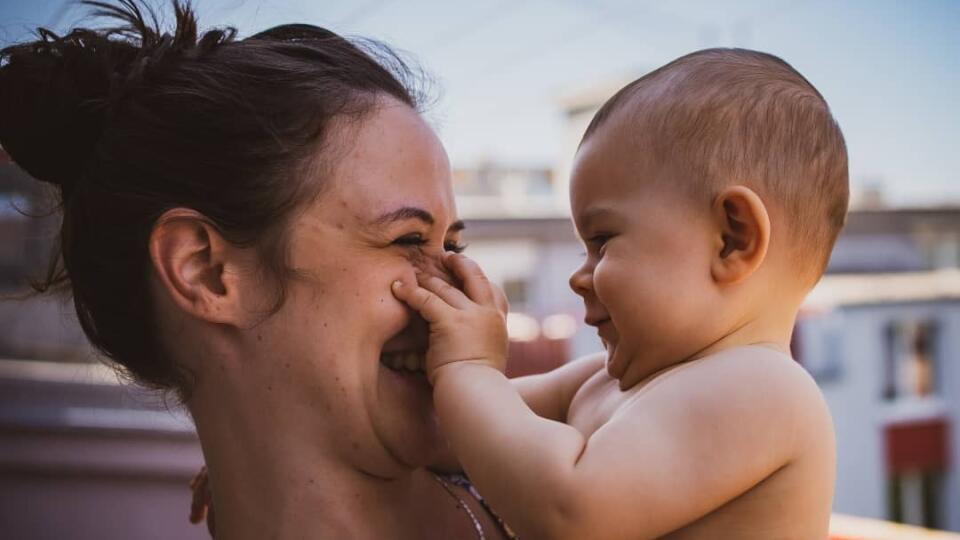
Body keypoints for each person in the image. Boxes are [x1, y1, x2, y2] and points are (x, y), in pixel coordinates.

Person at [0, 1, 516, 538]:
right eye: (408, 239)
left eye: (453, 244)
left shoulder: (583, 484)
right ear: (205, 270)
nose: (463, 285)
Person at [392, 48, 845, 539]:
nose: (579, 276)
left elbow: (567, 512)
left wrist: (469, 369)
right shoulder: (601, 382)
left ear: (732, 238)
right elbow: (447, 434)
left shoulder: (766, 390)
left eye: (603, 241)